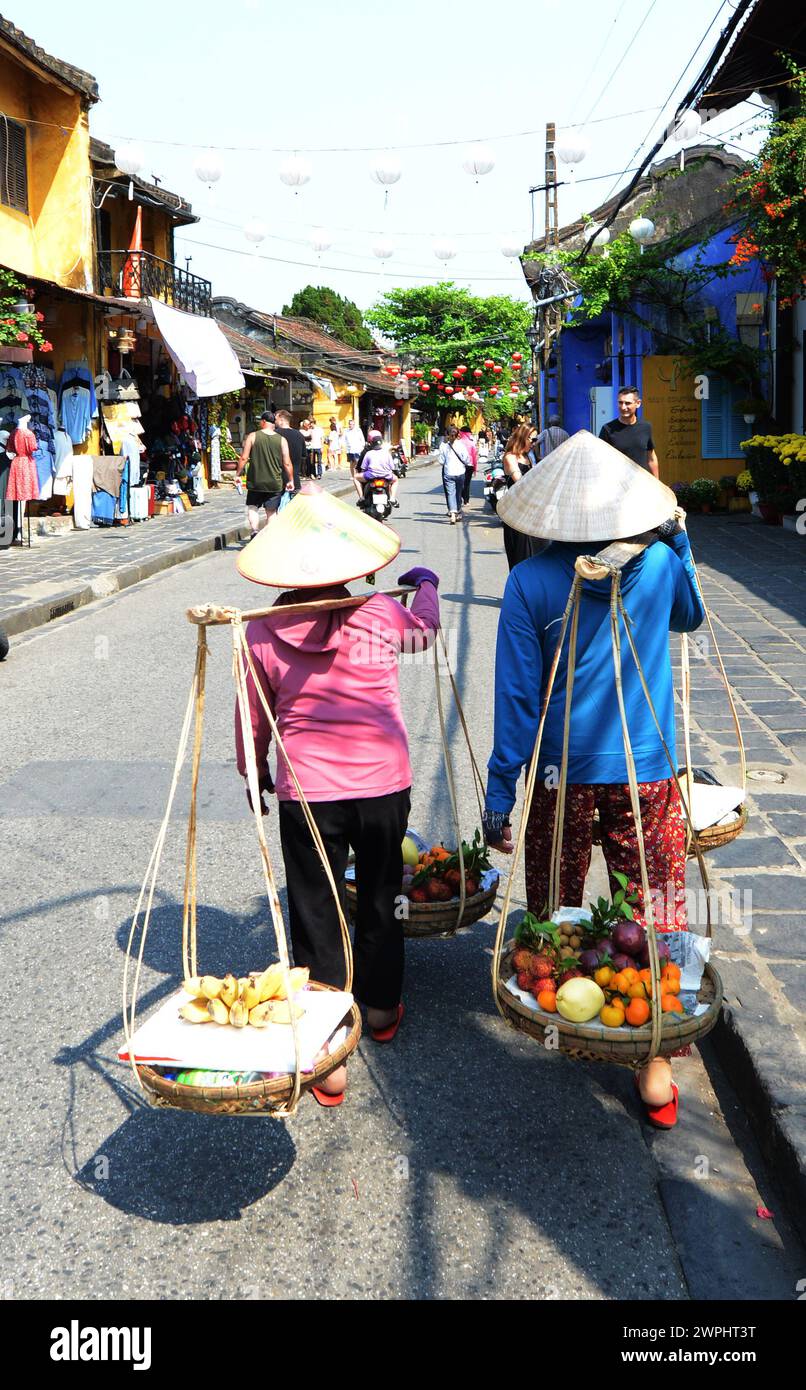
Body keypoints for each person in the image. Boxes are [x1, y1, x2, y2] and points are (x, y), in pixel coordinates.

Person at [484, 429, 705, 1129]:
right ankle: (656, 1061)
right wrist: (680, 540)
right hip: (648, 776)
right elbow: (689, 617)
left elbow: (519, 700)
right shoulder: (663, 562)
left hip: (562, 776)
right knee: (658, 909)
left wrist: (499, 794)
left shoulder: (531, 582)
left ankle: (572, 1018)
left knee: (556, 908)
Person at [235, 487, 440, 1103]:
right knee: (381, 896)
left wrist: (255, 775)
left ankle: (329, 1055)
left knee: (318, 911)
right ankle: (380, 1011)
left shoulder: (263, 632)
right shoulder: (380, 616)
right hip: (383, 787)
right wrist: (425, 582)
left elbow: (254, 719)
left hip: (309, 794)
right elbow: (425, 631)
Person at [237, 412, 295, 537]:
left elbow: (243, 458)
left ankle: (254, 531)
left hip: (255, 481)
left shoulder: (253, 436)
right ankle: (269, 537)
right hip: (274, 482)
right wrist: (291, 480)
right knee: (271, 512)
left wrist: (237, 474)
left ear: (263, 422)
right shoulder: (281, 440)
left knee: (253, 507)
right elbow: (287, 463)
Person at [599, 386, 658, 477]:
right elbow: (600, 460)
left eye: (627, 403)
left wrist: (657, 484)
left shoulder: (646, 427)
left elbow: (651, 458)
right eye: (620, 402)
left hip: (642, 483)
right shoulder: (607, 429)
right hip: (618, 485)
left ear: (638, 403)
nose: (623, 407)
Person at [501, 423, 537, 569]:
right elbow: (520, 481)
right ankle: (517, 589)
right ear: (523, 437)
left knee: (532, 555)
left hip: (530, 512)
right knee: (519, 556)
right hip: (515, 513)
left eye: (536, 440)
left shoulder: (529, 457)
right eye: (532, 440)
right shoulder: (510, 457)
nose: (534, 443)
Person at [438, 425, 470, 524]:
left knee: (450, 493)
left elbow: (441, 461)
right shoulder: (461, 445)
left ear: (447, 434)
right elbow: (466, 459)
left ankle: (452, 513)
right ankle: (458, 511)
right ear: (457, 435)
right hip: (460, 472)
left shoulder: (443, 446)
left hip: (448, 473)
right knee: (458, 493)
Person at [359, 430, 399, 507]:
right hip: (386, 475)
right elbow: (392, 467)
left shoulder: (368, 453)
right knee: (396, 479)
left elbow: (363, 468)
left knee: (355, 478)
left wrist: (363, 472)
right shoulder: (386, 453)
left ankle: (362, 497)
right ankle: (393, 498)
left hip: (371, 475)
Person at [274, 408, 306, 491]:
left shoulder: (274, 434)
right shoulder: (299, 435)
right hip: (295, 480)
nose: (274, 421)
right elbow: (303, 455)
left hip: (277, 481)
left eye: (275, 419)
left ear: (281, 419)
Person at [345, 418, 366, 498]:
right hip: (350, 449)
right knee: (352, 463)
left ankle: (357, 474)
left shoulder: (358, 430)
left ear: (354, 424)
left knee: (357, 462)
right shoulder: (346, 431)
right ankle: (353, 475)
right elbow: (345, 439)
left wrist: (362, 446)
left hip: (357, 448)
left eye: (352, 424)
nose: (351, 425)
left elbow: (362, 438)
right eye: (350, 424)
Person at [457, 424, 478, 507]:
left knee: (460, 482)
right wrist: (475, 468)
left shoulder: (458, 443)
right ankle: (466, 500)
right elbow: (474, 457)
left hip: (460, 465)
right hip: (470, 465)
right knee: (467, 483)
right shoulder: (472, 443)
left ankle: (461, 497)